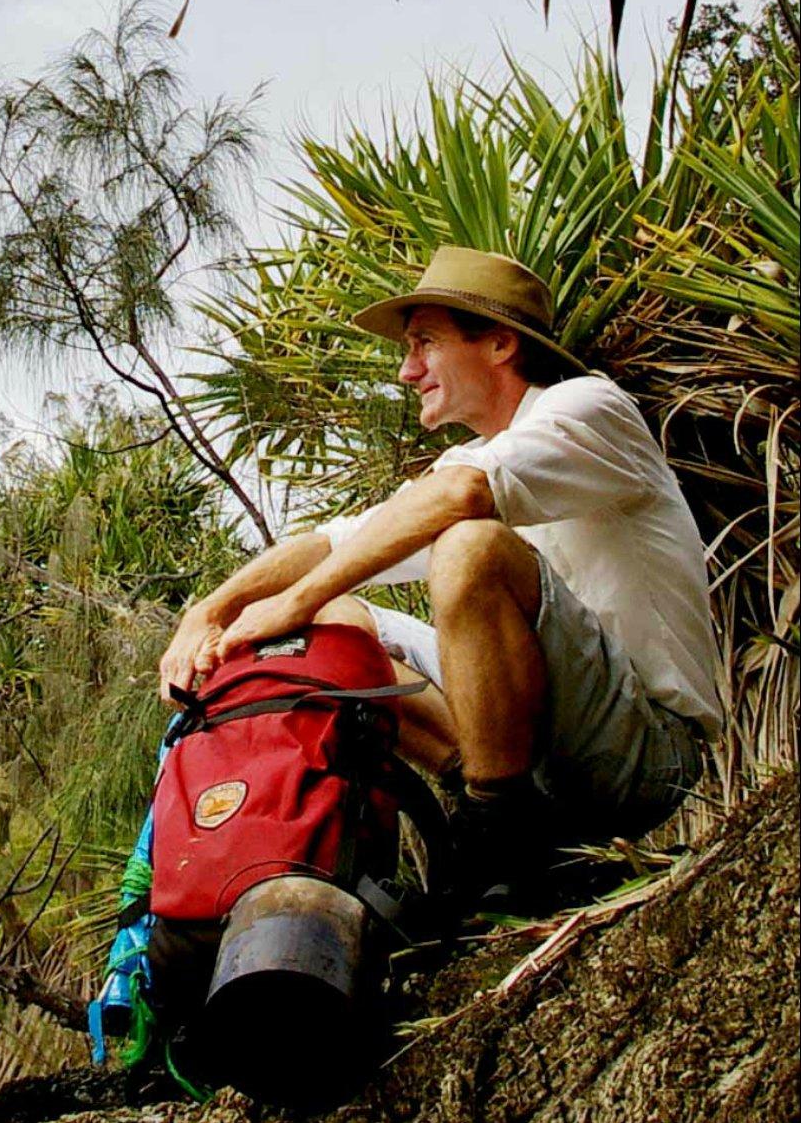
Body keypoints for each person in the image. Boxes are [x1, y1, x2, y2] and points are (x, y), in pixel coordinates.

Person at [159, 246, 720, 898]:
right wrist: (210, 612)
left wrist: (292, 598)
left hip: (645, 753)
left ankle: (497, 837)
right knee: (333, 623)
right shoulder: (467, 460)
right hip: (550, 756)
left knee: (469, 549)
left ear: (501, 344)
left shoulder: (589, 409)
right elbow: (335, 541)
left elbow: (461, 499)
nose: (407, 370)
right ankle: (503, 817)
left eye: (424, 343)